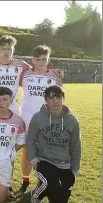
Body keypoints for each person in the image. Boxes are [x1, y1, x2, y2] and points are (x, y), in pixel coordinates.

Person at [26, 86, 81, 203]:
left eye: (58, 97)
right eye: (51, 98)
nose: (55, 101)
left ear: (63, 99)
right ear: (46, 100)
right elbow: (30, 141)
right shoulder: (38, 117)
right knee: (50, 183)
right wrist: (34, 161)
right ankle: (36, 195)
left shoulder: (72, 121)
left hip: (64, 164)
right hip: (44, 160)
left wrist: (74, 170)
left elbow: (75, 147)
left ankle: (46, 186)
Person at [18, 45, 63, 194]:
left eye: (45, 59)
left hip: (46, 118)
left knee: (44, 151)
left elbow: (59, 98)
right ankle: (25, 181)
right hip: (27, 116)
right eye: (39, 59)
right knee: (27, 150)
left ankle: (41, 182)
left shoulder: (54, 76)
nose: (42, 61)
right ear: (33, 59)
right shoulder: (24, 74)